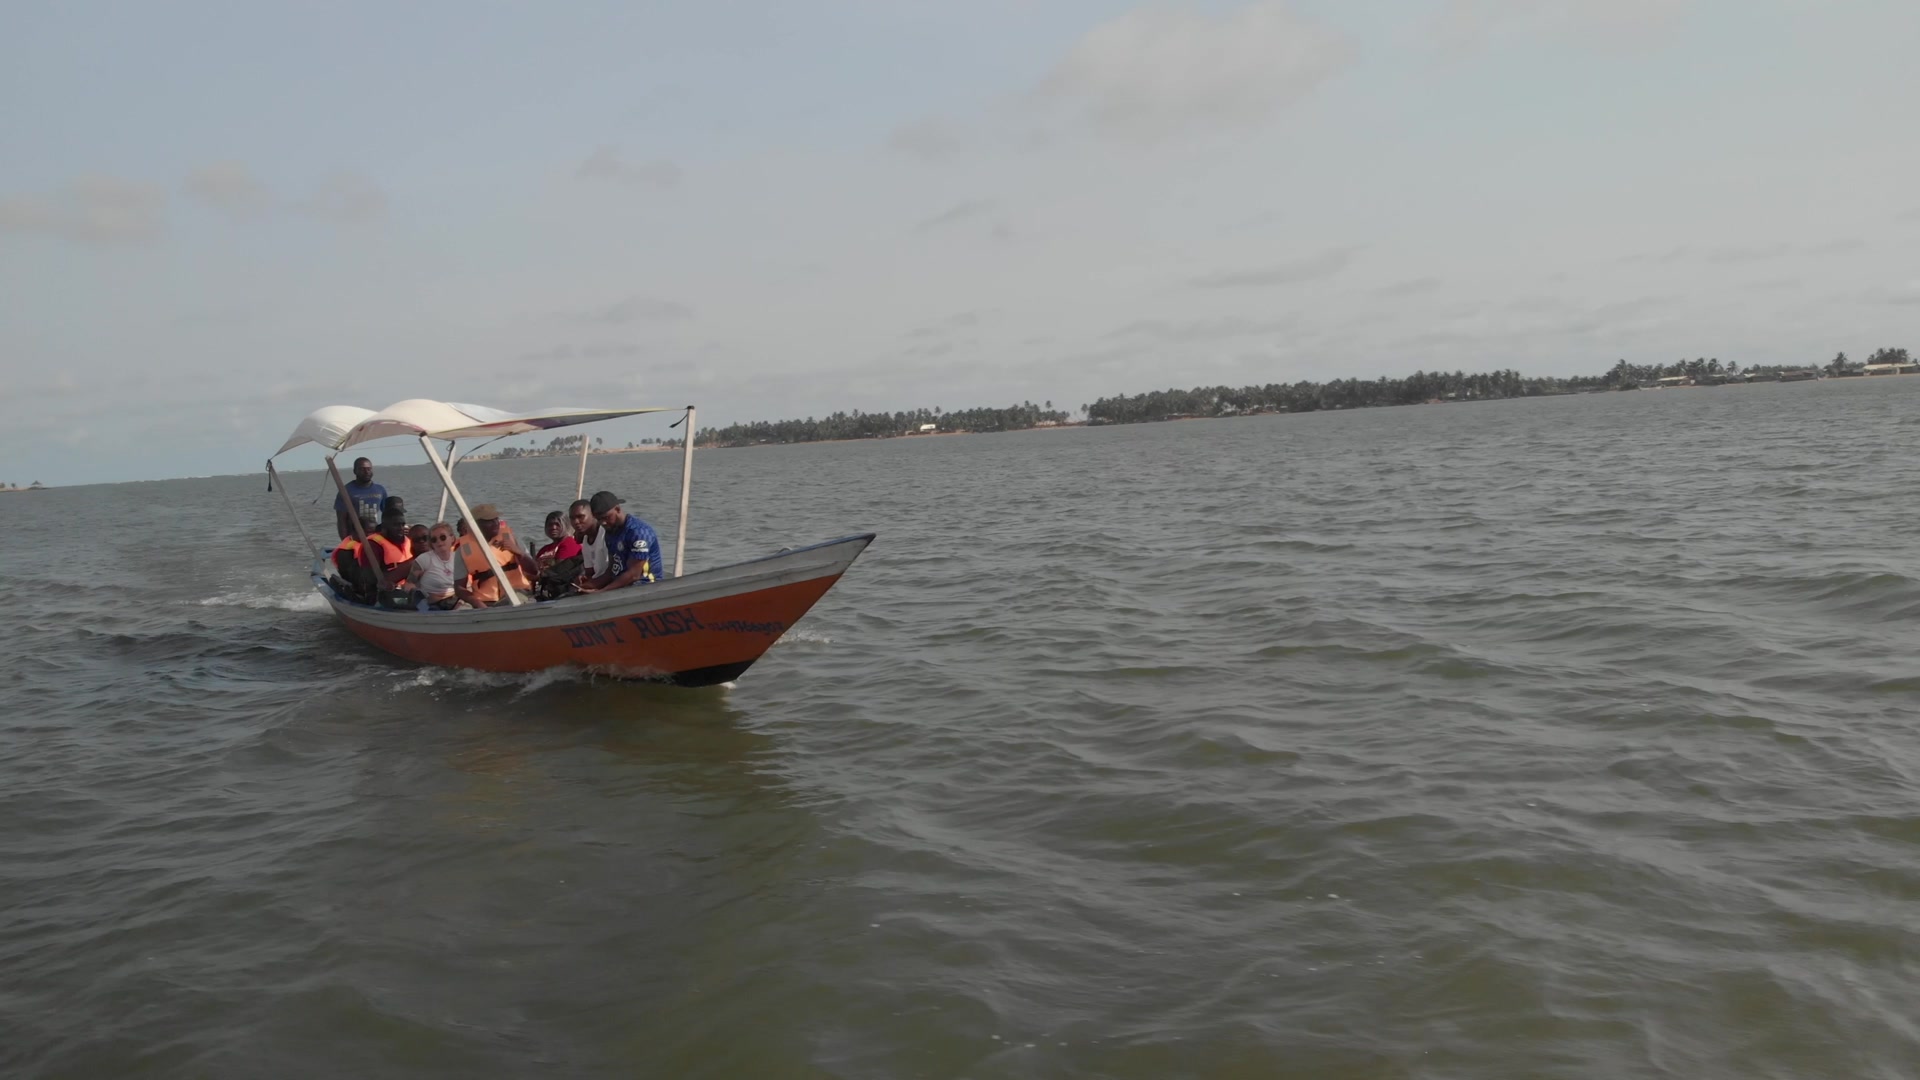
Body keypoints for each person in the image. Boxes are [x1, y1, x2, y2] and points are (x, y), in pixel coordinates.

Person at [579, 490, 661, 592]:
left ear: (617, 509)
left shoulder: (638, 532)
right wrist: (590, 584)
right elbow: (612, 570)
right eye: (599, 519)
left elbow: (634, 575)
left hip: (645, 586)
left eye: (606, 517)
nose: (603, 523)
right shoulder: (610, 531)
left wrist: (601, 592)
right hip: (622, 587)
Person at [456, 503, 535, 605]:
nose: (495, 523)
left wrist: (519, 553)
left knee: (509, 603)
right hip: (484, 600)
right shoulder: (464, 549)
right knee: (461, 611)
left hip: (517, 593)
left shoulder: (510, 539)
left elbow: (534, 571)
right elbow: (459, 587)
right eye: (489, 521)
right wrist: (478, 604)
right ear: (475, 524)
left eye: (496, 519)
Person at [358, 497, 417, 598]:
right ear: (384, 527)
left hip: (411, 587)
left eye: (402, 525)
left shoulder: (409, 539)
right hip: (387, 593)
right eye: (396, 525)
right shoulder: (373, 545)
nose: (401, 529)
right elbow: (370, 578)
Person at [406, 523, 472, 609]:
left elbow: (467, 586)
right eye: (434, 540)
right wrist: (417, 596)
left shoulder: (459, 557)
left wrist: (461, 602)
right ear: (431, 543)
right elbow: (409, 584)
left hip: (457, 601)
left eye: (443, 537)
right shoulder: (424, 559)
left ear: (452, 538)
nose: (439, 542)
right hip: (432, 604)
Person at [531, 510, 585, 601]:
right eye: (550, 525)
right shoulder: (545, 549)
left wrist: (538, 575)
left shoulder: (569, 543)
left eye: (557, 524)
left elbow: (560, 569)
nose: (553, 527)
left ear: (566, 525)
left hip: (560, 589)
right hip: (542, 587)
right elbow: (534, 568)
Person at [333, 457, 388, 539]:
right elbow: (341, 520)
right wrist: (345, 541)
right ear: (355, 471)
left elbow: (387, 514)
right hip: (355, 536)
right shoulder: (346, 491)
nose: (366, 472)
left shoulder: (380, 490)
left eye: (369, 469)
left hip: (375, 535)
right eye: (362, 469)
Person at [569, 498, 609, 585]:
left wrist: (594, 585)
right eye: (572, 518)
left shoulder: (605, 535)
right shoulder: (586, 540)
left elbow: (612, 572)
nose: (576, 522)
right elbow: (590, 572)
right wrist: (584, 579)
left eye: (581, 517)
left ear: (593, 515)